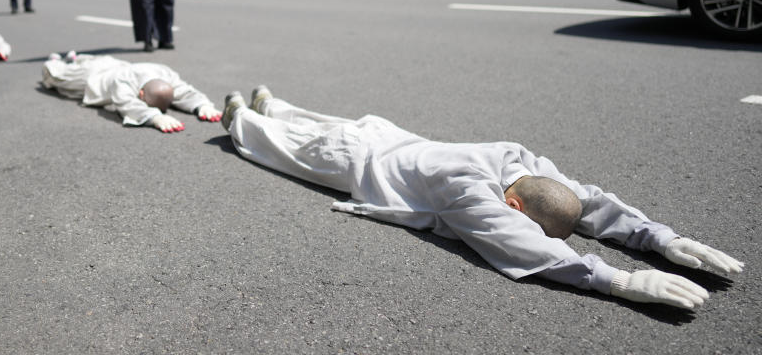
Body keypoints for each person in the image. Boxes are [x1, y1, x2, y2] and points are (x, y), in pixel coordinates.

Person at [221, 88, 744, 310]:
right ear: (514, 206)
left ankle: (274, 104)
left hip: (383, 135)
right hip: (351, 158)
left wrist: (658, 237)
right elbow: (518, 244)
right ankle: (240, 113)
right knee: (268, 144)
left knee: (304, 125)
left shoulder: (513, 160)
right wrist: (618, 279)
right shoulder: (466, 192)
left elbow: (582, 200)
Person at [41, 53, 221, 132]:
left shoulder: (165, 74)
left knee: (90, 60)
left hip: (112, 63)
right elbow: (127, 104)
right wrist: (155, 117)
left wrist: (202, 105)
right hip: (93, 76)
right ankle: (54, 60)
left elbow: (184, 91)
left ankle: (75, 58)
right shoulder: (123, 83)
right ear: (141, 95)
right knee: (58, 77)